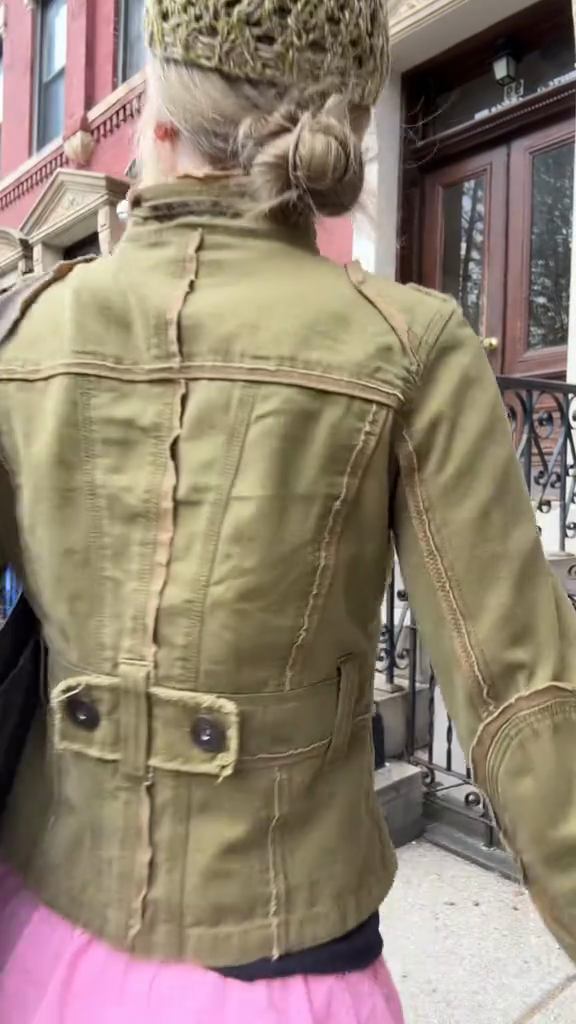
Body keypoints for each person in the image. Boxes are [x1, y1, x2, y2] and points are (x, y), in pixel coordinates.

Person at [1, 0, 576, 1020]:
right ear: (340, 129)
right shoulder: (404, 343)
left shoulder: (28, 334)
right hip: (282, 967)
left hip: (38, 940)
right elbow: (521, 696)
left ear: (159, 120)